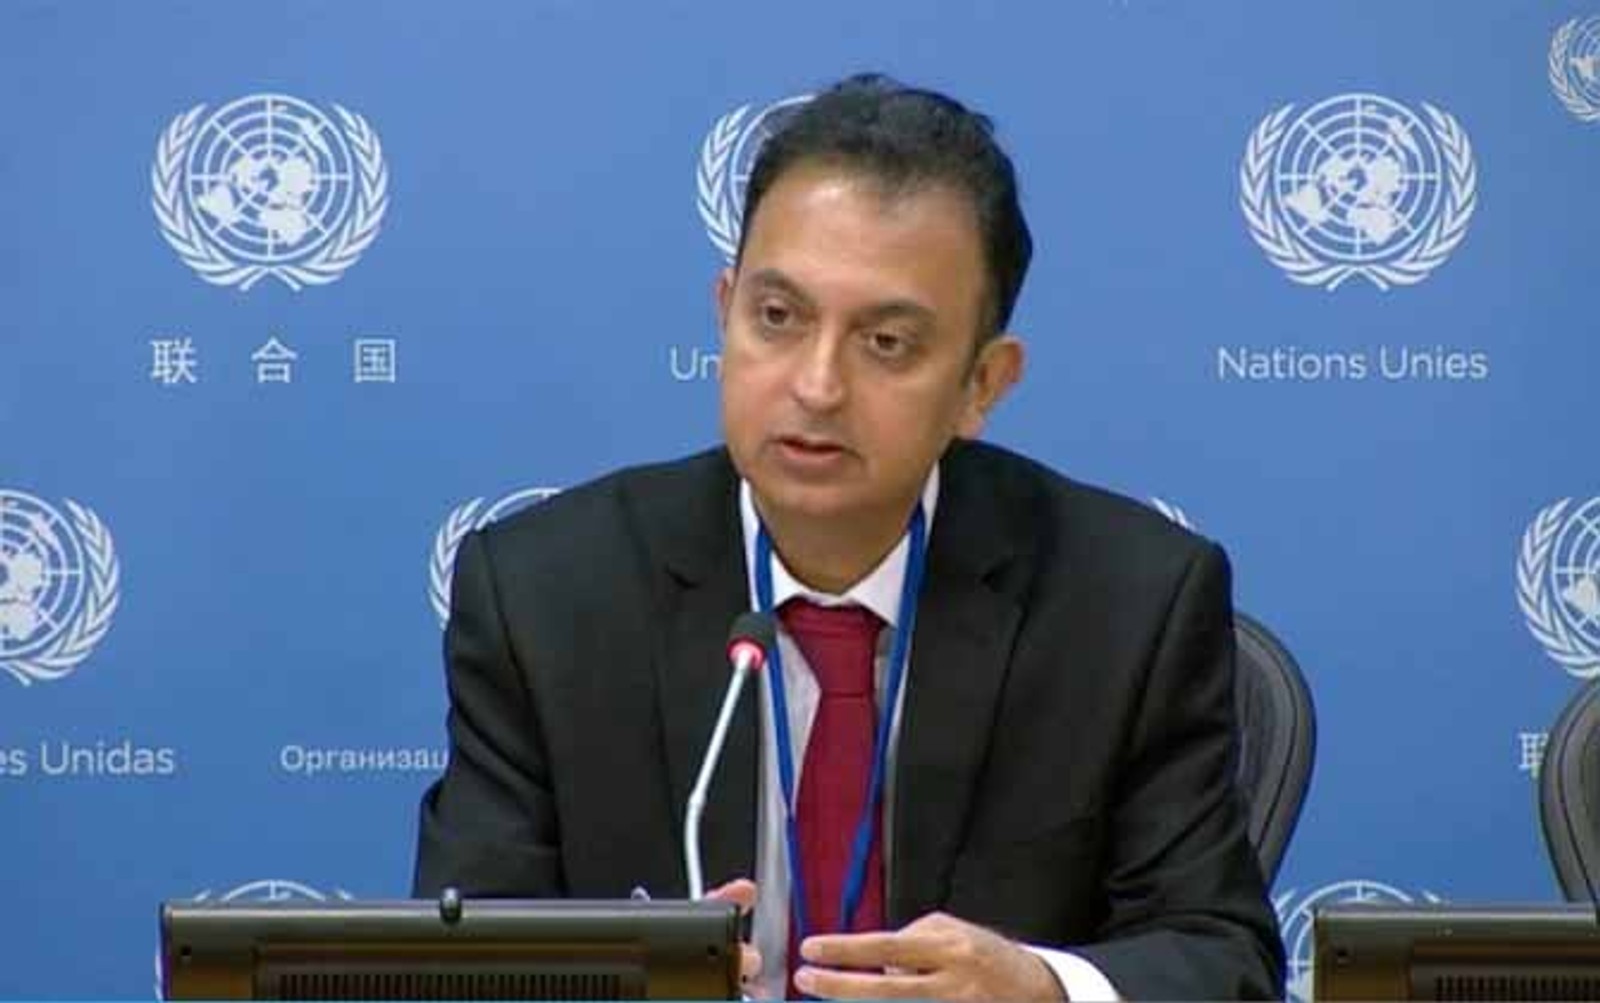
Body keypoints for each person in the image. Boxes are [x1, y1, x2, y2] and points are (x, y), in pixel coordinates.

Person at [414, 73, 1285, 1001]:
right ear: (725, 311)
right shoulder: (545, 596)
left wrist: (1040, 987)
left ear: (983, 385)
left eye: (887, 343)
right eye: (777, 318)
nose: (817, 386)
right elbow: (469, 965)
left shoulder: (1130, 604)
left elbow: (1222, 961)